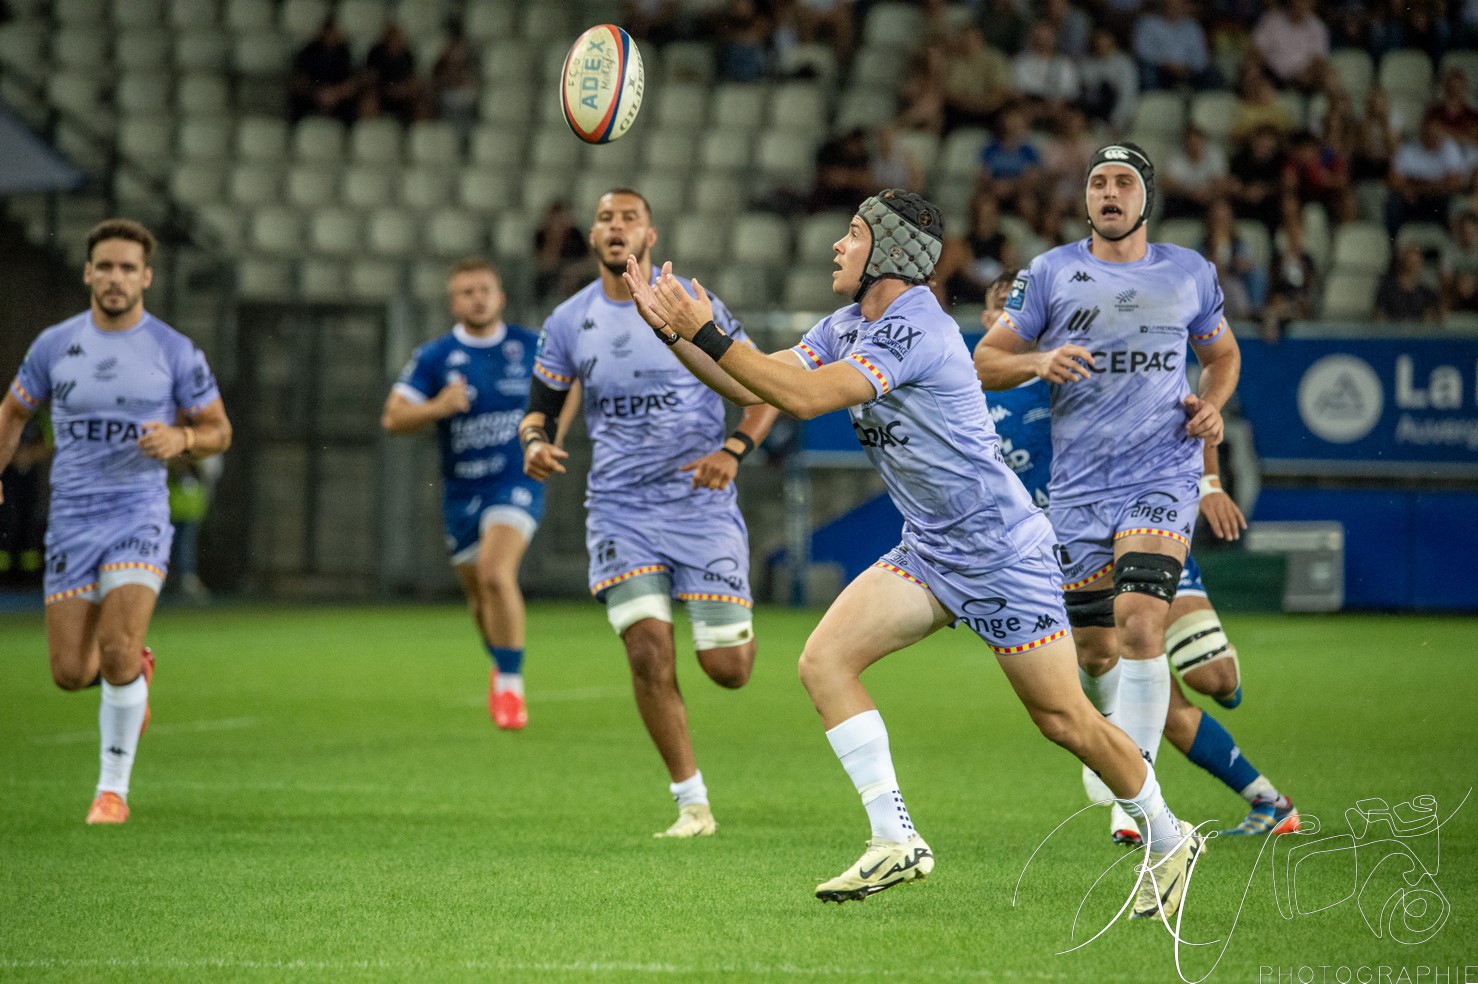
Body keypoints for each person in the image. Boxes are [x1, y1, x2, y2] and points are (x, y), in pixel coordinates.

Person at [625, 189, 1204, 917]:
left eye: (853, 234)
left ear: (890, 255)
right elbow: (761, 385)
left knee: (1065, 722)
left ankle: (1169, 835)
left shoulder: (916, 330)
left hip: (1001, 554)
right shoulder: (846, 324)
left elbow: (803, 400)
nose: (837, 246)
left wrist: (708, 332)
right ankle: (895, 839)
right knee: (824, 661)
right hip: (931, 549)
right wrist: (675, 335)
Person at [975, 145, 1243, 861]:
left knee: (1139, 621)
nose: (1110, 192)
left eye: (1123, 181)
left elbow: (1222, 356)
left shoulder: (1190, 272)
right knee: (1094, 649)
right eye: (1098, 182)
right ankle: (1120, 746)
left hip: (1162, 472)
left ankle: (1138, 798)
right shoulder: (1051, 272)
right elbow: (986, 361)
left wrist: (1212, 410)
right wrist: (1037, 360)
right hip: (1081, 489)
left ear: (1145, 196)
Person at [975, 273, 1298, 843]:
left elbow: (1188, 412)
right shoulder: (979, 398)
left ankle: (1124, 743)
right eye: (1001, 311)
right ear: (988, 324)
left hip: (1141, 535)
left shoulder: (1091, 370)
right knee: (1136, 683)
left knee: (1214, 679)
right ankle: (1263, 802)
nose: (1013, 322)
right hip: (1072, 559)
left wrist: (1210, 484)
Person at [519, 189, 780, 838]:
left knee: (728, 670)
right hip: (619, 510)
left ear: (650, 236)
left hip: (701, 505)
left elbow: (766, 389)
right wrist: (534, 443)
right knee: (646, 652)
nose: (615, 227)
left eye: (628, 217)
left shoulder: (693, 305)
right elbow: (540, 411)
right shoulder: (567, 322)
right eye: (605, 217)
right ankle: (692, 803)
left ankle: (731, 627)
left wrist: (734, 448)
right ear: (592, 237)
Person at [0, 218, 233, 825]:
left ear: (146, 277)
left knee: (117, 645)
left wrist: (182, 435)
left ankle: (111, 791)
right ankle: (134, 672)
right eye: (104, 266)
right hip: (71, 520)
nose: (115, 277)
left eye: (128, 268)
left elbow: (219, 430)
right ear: (87, 273)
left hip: (139, 513)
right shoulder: (54, 345)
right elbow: (12, 413)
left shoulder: (173, 350)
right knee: (70, 673)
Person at [382, 259, 556, 730]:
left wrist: (550, 436)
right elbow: (393, 417)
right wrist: (439, 406)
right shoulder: (436, 356)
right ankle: (502, 665)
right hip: (461, 489)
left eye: (485, 290)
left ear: (500, 297)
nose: (477, 298)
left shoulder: (530, 344)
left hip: (514, 481)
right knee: (481, 598)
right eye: (466, 292)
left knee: (497, 574)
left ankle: (511, 688)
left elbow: (571, 383)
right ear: (453, 302)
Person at [288, 15, 360, 125]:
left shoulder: (344, 53)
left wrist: (335, 93)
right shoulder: (308, 51)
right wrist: (317, 93)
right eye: (327, 32)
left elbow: (351, 83)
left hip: (337, 97)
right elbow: (299, 81)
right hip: (313, 95)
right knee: (297, 101)